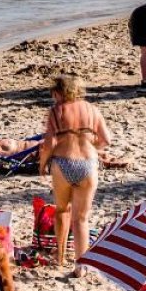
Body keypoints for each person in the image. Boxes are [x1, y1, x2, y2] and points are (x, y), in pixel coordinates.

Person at [39, 74, 110, 272]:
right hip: (88, 164)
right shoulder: (92, 109)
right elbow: (106, 139)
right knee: (81, 219)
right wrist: (92, 146)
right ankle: (81, 266)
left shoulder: (56, 111)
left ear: (58, 92)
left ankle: (60, 257)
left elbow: (49, 144)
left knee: (62, 210)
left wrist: (43, 165)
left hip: (63, 163)